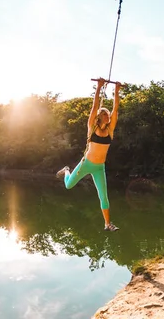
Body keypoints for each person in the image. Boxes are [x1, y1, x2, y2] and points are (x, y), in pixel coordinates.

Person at [56, 78, 121, 231]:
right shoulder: (91, 127)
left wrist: (116, 91)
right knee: (68, 185)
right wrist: (99, 87)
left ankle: (107, 224)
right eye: (105, 114)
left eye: (108, 115)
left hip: (99, 168)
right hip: (86, 164)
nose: (108, 116)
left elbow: (116, 109)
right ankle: (66, 170)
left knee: (103, 196)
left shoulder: (110, 130)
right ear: (100, 117)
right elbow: (94, 106)